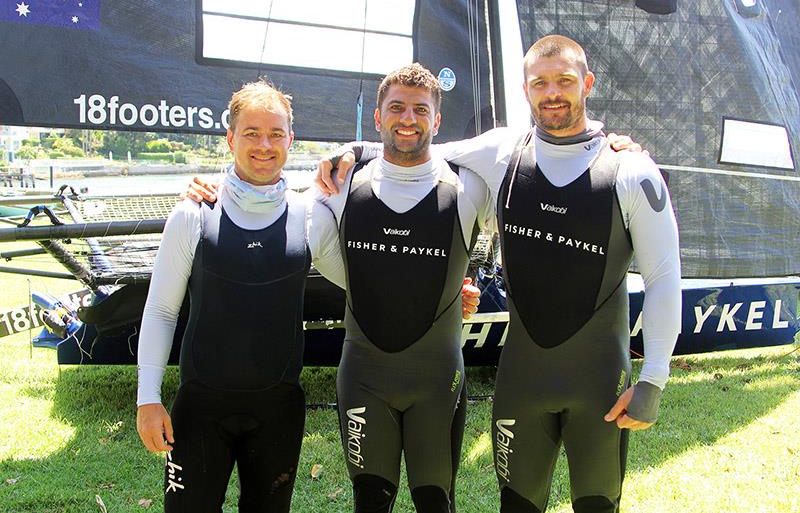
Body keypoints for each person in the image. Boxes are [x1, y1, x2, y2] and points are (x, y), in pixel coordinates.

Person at [319, 35, 681, 513]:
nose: (552, 92)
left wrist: (654, 377)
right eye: (540, 83)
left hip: (599, 384)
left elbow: (663, 275)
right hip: (521, 383)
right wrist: (355, 151)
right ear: (526, 89)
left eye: (565, 81)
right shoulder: (503, 151)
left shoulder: (632, 169)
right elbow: (420, 144)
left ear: (587, 84)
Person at [179, 67, 486, 513]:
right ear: (377, 117)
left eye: (421, 109)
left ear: (437, 122)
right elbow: (269, 207)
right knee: (369, 502)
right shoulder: (337, 187)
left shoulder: (469, 186)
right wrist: (210, 188)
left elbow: (528, 163)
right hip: (365, 377)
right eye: (396, 107)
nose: (408, 118)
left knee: (437, 502)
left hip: (438, 379)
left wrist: (444, 290)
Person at [135, 80, 347, 512]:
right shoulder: (192, 213)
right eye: (251, 133)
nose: (264, 145)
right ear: (230, 138)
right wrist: (147, 398)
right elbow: (160, 310)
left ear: (292, 139)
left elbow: (363, 284)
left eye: (276, 134)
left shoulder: (310, 215)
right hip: (200, 409)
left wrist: (443, 294)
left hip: (278, 410)